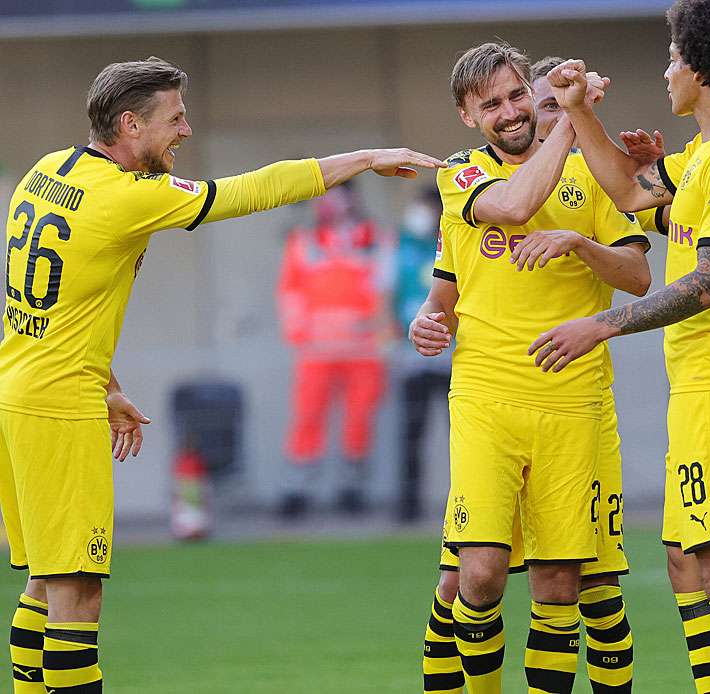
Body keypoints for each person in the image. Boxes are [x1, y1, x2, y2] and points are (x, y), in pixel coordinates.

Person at [0, 56, 443, 693]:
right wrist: (364, 157)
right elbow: (249, 191)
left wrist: (106, 382)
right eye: (174, 119)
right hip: (57, 408)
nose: (185, 131)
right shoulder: (130, 196)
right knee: (77, 593)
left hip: (22, 391)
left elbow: (52, 302)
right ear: (130, 124)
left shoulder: (49, 170)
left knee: (44, 581)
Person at [528, 1, 710, 690]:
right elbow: (627, 189)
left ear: (702, 69)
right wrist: (578, 109)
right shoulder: (702, 154)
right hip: (700, 379)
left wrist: (603, 324)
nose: (666, 69)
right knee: (683, 557)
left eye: (674, 56)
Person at [407, 43, 650, 693]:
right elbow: (505, 218)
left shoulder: (593, 176)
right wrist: (426, 319)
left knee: (572, 585)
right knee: (474, 576)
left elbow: (638, 274)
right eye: (492, 104)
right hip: (487, 399)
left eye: (519, 96)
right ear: (468, 116)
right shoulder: (459, 176)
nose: (511, 113)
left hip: (575, 405)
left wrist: (578, 241)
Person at [276, 181, 389, 519]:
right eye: (321, 197)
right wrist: (299, 333)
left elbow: (387, 289)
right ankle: (298, 490)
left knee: (359, 419)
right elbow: (289, 291)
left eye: (333, 195)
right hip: (315, 350)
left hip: (365, 349)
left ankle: (352, 490)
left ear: (352, 198)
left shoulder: (375, 239)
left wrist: (383, 335)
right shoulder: (304, 241)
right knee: (307, 417)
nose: (325, 203)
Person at [391, 186, 449, 523]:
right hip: (412, 359)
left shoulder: (453, 244)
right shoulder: (402, 246)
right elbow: (389, 295)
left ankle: (466, 500)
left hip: (453, 358)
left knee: (461, 433)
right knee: (411, 432)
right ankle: (408, 505)